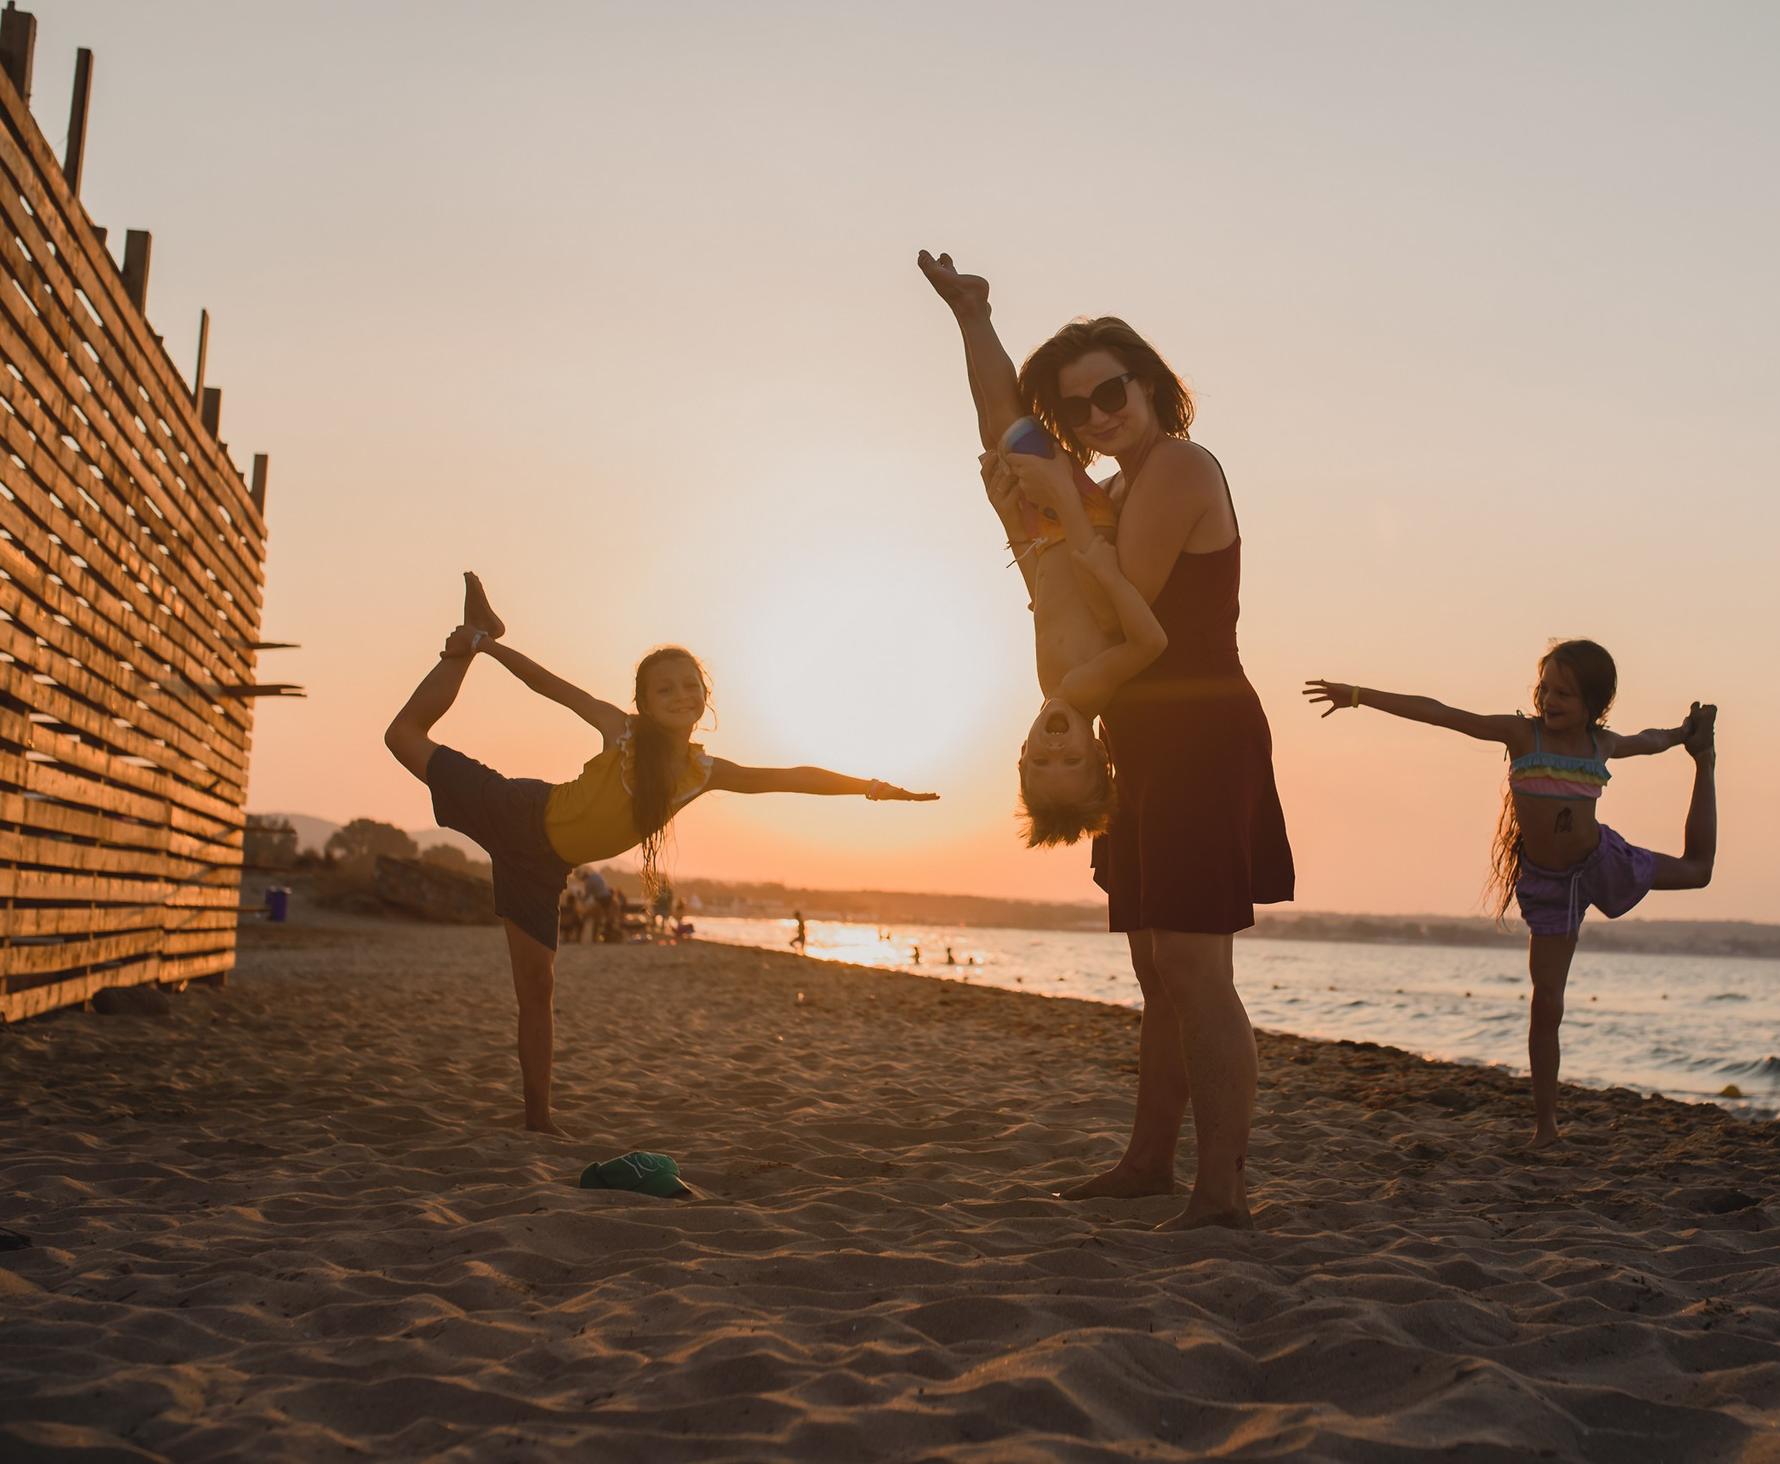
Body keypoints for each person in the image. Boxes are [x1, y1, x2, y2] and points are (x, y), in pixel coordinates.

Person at [927, 257, 1293, 1231]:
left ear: (1146, 384)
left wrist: (1045, 508)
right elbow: (997, 418)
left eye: (1111, 391)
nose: (1098, 415)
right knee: (1152, 967)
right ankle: (1146, 1159)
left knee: (1193, 967)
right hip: (1138, 739)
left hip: (1200, 730)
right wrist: (973, 315)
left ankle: (1220, 1188)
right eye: (1074, 407)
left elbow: (1116, 597)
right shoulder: (1098, 487)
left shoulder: (1174, 465)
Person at [383, 574, 936, 1133]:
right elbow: (549, 685)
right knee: (403, 736)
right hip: (517, 811)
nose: (679, 697)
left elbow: (791, 777)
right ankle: (472, 632)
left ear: (705, 696)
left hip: (542, 868)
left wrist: (870, 786)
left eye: (689, 686)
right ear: (643, 703)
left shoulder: (703, 773)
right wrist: (486, 648)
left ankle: (538, 1121)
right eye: (664, 689)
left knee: (537, 988)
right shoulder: (619, 731)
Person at [1304, 640, 1716, 1148]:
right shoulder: (1522, 733)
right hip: (1548, 883)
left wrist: (1683, 736)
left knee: (1698, 872)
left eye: (1564, 692)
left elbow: (1649, 740)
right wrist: (1359, 695)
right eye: (1544, 688)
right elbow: (1441, 714)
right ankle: (1546, 1126)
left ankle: (1708, 763)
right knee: (1547, 1004)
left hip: (1599, 863)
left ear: (1595, 702)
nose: (1549, 699)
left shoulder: (1599, 745)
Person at [917, 252, 1170, 847]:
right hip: (1082, 525)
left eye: (1042, 763)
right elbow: (1149, 640)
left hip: (1046, 534)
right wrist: (1098, 559)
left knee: (994, 430)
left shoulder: (1051, 686)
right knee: (1005, 427)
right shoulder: (1092, 690)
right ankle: (972, 311)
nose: (1056, 750)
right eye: (1072, 763)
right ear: (1100, 755)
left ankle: (970, 314)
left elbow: (1046, 597)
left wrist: (1011, 523)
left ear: (1021, 754)